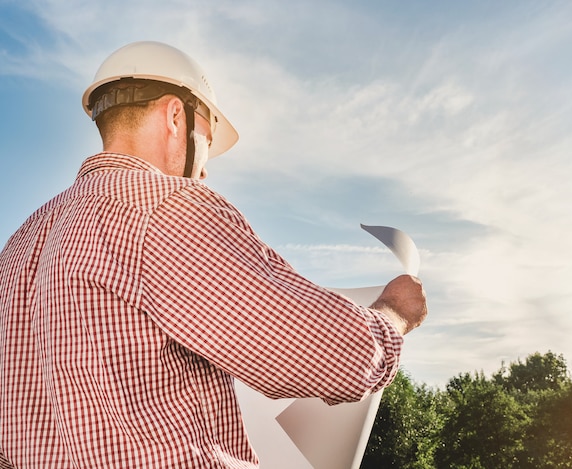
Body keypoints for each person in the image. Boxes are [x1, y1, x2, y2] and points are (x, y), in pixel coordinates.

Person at [0, 41, 427, 468]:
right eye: (207, 137)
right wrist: (392, 314)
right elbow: (334, 355)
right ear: (174, 116)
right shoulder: (167, 209)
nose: (204, 169)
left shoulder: (19, 246)